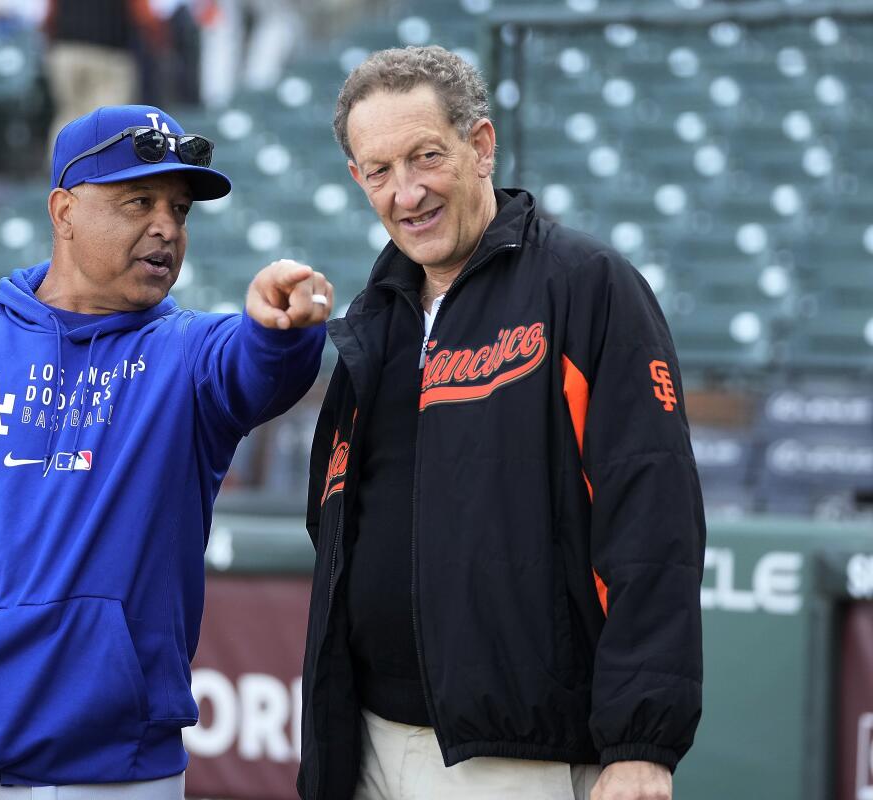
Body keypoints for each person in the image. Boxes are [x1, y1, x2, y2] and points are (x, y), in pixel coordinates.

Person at [0, 104, 332, 798]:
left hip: (121, 770)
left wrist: (280, 329)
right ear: (64, 211)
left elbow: (256, 368)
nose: (166, 228)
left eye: (179, 210)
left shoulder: (188, 356)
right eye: (138, 201)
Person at [298, 46, 705, 800]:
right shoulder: (374, 318)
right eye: (379, 170)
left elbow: (653, 520)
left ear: (480, 146)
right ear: (357, 179)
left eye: (426, 157)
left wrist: (643, 742)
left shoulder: (586, 286)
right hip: (364, 742)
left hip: (520, 753)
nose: (407, 192)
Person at [43, 2, 139, 153]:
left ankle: (59, 171)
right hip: (108, 52)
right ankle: (103, 172)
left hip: (66, 50)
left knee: (69, 116)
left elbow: (48, 15)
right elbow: (142, 13)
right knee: (105, 122)